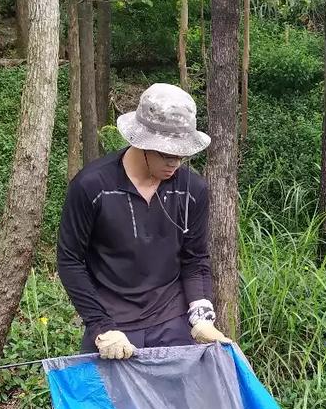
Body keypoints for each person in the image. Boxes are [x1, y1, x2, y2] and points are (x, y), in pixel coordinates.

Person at [57, 83, 231, 360]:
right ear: (142, 143)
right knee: (105, 402)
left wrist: (201, 317)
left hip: (172, 319)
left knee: (177, 402)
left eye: (181, 155)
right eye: (166, 154)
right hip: (112, 321)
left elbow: (195, 259)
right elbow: (70, 260)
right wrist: (100, 326)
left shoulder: (192, 190)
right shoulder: (91, 186)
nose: (175, 163)